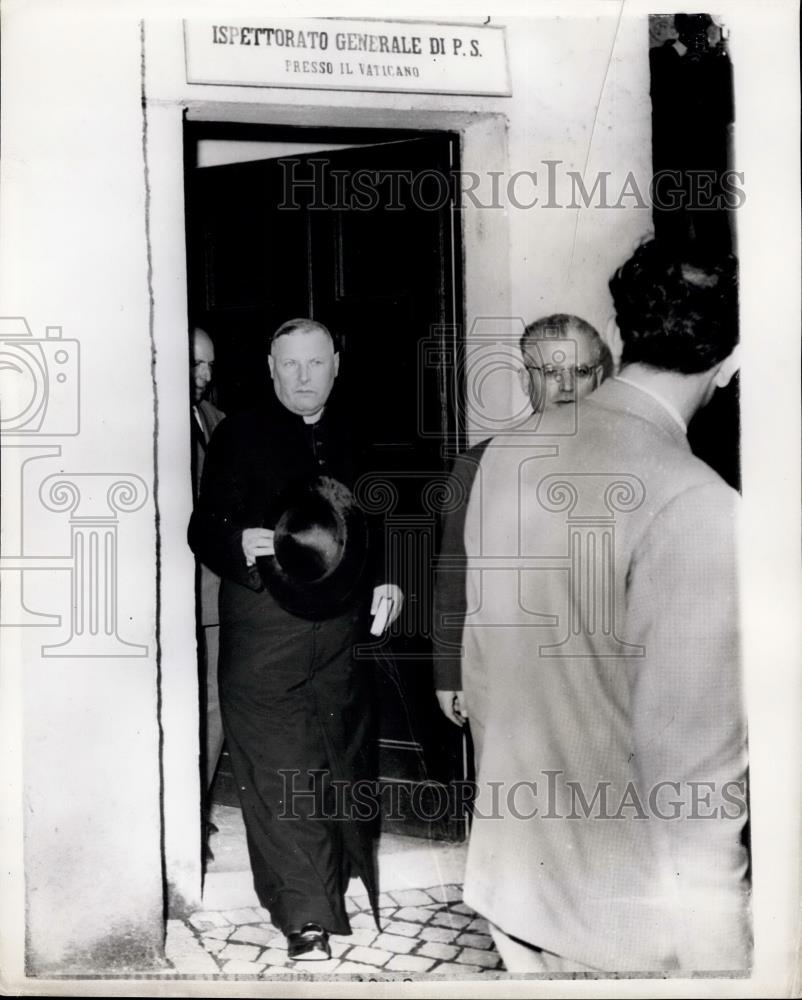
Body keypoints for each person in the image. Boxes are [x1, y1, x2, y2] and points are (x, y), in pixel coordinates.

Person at [434, 242, 749, 972]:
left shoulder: (509, 455)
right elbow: (695, 788)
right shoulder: (698, 501)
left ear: (622, 337)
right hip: (627, 924)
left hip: (517, 890)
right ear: (730, 363)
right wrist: (726, 969)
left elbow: (487, 669)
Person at [188, 318, 403, 961]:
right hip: (265, 625)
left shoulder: (356, 431)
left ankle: (335, 888)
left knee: (339, 755)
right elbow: (204, 523)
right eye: (290, 365)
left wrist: (389, 580)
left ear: (336, 364)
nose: (303, 377)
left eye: (315, 363)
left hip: (339, 626)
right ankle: (304, 915)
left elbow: (377, 519)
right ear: (271, 368)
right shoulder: (238, 434)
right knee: (281, 766)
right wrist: (237, 542)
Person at [435, 314, 612, 730]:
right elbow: (453, 575)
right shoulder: (477, 465)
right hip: (508, 679)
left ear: (599, 377)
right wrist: (449, 673)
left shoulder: (630, 461)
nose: (567, 387)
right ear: (523, 378)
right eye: (551, 372)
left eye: (580, 371)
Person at [190, 327, 226, 821]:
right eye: (194, 363)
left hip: (216, 594)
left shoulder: (218, 423)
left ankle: (195, 814)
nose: (204, 375)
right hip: (171, 596)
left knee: (215, 705)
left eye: (210, 366)